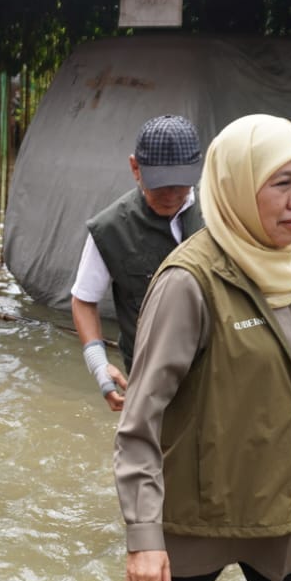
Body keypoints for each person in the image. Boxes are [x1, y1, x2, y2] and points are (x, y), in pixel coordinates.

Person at [98, 114, 291, 581]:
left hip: (287, 520)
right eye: (281, 183)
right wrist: (145, 542)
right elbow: (139, 422)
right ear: (235, 185)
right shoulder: (189, 282)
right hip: (197, 520)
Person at [71, 115, 204, 411]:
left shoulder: (220, 213)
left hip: (215, 375)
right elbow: (83, 300)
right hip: (149, 382)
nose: (171, 195)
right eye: (160, 185)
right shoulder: (110, 229)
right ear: (135, 168)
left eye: (180, 184)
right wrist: (99, 365)